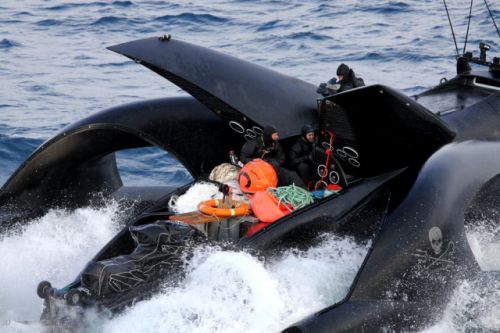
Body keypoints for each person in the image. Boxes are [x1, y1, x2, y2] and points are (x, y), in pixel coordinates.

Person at [240, 125, 305, 188]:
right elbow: (243, 157)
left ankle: (306, 192)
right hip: (255, 171)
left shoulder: (275, 144)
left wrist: (273, 164)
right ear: (269, 135)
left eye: (277, 134)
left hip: (270, 169)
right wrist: (257, 162)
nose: (277, 137)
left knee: (292, 175)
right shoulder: (254, 143)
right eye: (275, 135)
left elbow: (281, 158)